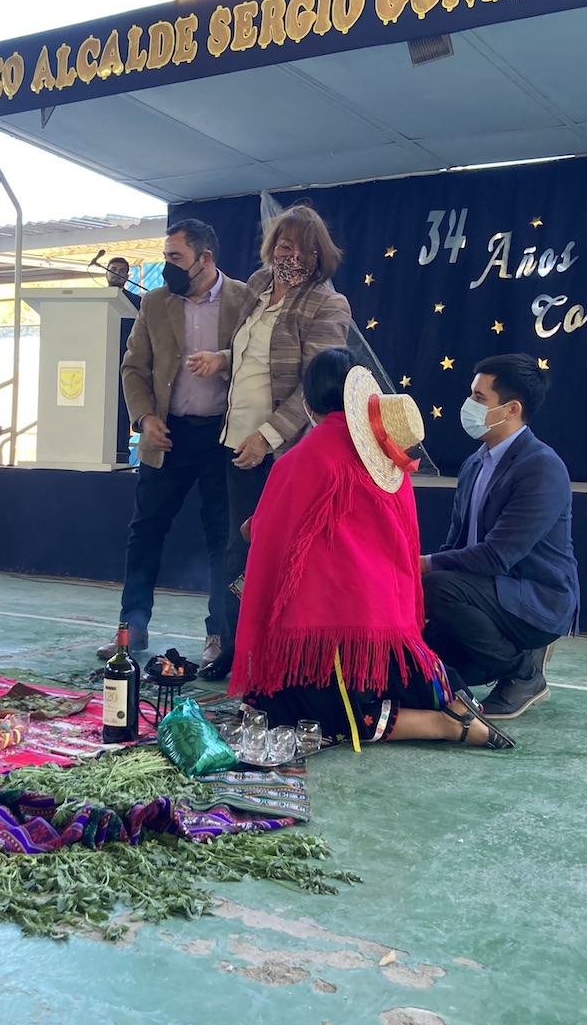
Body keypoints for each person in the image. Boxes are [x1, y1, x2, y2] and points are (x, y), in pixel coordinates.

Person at [230, 349, 513, 750]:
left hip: (331, 633)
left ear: (309, 402)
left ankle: (446, 726)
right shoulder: (388, 460)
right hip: (392, 632)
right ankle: (450, 699)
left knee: (288, 708)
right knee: (390, 681)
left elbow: (268, 534)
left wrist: (254, 526)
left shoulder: (301, 460)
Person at [186, 204, 352, 680]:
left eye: (299, 245)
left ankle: (276, 655)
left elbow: (316, 388)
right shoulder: (258, 286)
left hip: (284, 453)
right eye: (282, 241)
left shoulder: (327, 304)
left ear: (318, 253)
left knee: (276, 552)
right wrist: (221, 359)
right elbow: (252, 351)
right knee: (236, 550)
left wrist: (268, 435)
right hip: (236, 441)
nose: (288, 251)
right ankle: (234, 647)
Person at [101, 219, 252, 664]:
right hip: (166, 435)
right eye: (166, 256)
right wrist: (145, 416)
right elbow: (134, 367)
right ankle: (131, 629)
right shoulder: (155, 302)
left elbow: (257, 363)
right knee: (145, 532)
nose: (167, 267)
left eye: (175, 258)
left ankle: (219, 636)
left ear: (205, 258)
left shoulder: (244, 300)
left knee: (222, 539)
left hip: (224, 438)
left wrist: (222, 363)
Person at [420, 353, 579, 720]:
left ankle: (524, 674)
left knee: (437, 586)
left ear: (511, 409)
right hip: (484, 595)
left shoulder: (541, 466)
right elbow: (456, 545)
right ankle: (500, 660)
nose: (469, 405)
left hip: (535, 598)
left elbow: (496, 557)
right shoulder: (476, 462)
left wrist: (424, 566)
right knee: (421, 665)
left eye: (479, 398)